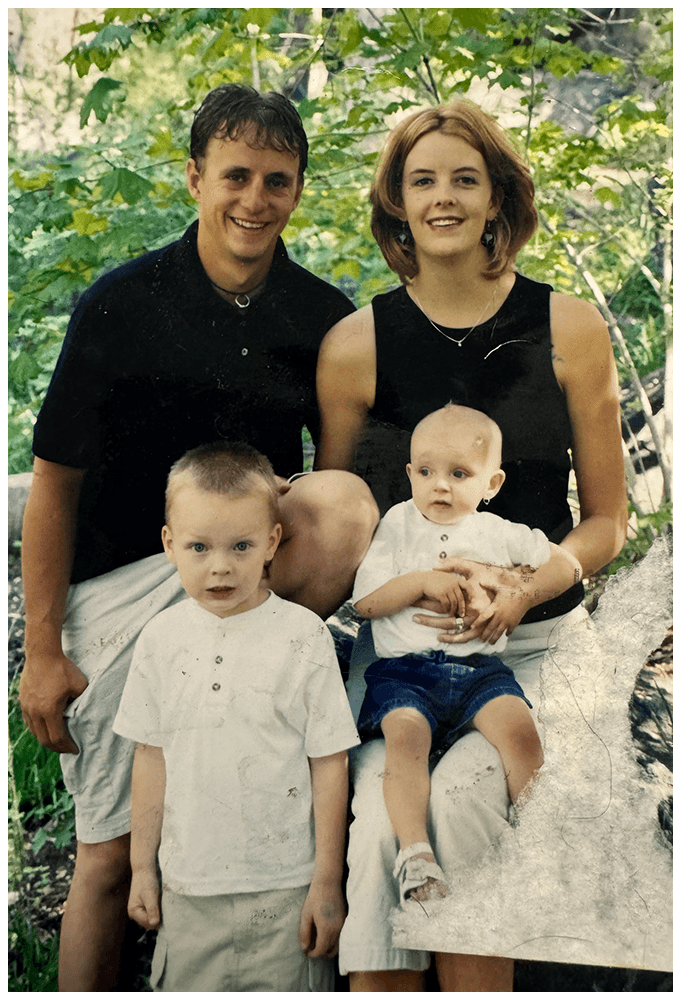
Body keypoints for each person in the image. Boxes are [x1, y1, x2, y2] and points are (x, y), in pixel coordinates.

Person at [18, 83, 377, 991]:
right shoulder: (120, 303)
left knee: (341, 500)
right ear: (194, 178)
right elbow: (53, 488)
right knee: (107, 855)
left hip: (247, 583)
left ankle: (240, 680)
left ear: (299, 189)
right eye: (236, 175)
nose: (254, 199)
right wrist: (42, 651)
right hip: (125, 591)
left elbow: (325, 492)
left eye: (277, 180)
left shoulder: (318, 315)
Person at [315, 98, 627, 990]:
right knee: (379, 828)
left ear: (498, 200)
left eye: (464, 178)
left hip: (535, 643)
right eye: (422, 181)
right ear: (396, 204)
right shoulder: (354, 346)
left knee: (459, 802)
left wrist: (529, 588)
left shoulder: (566, 327)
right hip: (405, 650)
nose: (443, 197)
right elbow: (344, 525)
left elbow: (608, 519)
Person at [114, 442, 360, 991]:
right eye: (199, 547)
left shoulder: (303, 637)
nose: (220, 566)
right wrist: (142, 869)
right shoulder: (160, 640)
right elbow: (150, 760)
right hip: (189, 890)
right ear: (169, 545)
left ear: (272, 542)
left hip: (286, 892)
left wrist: (325, 884)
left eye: (241, 546)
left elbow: (329, 761)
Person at [353, 404, 549, 909]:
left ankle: (543, 844)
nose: (439, 486)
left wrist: (515, 593)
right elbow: (366, 603)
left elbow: (561, 563)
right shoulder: (397, 524)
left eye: (459, 474)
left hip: (480, 670)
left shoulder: (501, 532)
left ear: (492, 483)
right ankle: (415, 853)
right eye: (426, 472)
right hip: (405, 674)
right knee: (407, 741)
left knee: (521, 734)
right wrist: (420, 581)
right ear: (409, 474)